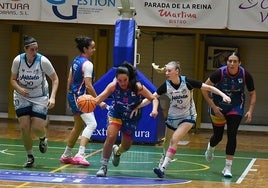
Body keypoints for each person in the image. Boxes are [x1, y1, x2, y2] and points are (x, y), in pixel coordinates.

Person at [135, 61, 231, 178]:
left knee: (174, 140)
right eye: (166, 71)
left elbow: (209, 87)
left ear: (177, 71)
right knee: (166, 143)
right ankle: (162, 160)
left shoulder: (188, 82)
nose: (167, 73)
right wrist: (137, 106)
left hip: (188, 116)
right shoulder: (166, 85)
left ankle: (163, 168)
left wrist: (223, 95)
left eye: (169, 71)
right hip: (173, 117)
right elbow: (151, 98)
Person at [95, 62, 159, 177]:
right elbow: (99, 98)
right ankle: (103, 166)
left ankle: (117, 151)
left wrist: (154, 109)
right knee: (111, 136)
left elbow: (153, 98)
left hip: (131, 117)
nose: (122, 83)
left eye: (125, 80)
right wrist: (88, 103)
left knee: (126, 146)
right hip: (116, 112)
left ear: (129, 78)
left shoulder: (138, 87)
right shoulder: (113, 86)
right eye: (120, 80)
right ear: (116, 79)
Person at [202, 52, 256, 178]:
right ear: (227, 62)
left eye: (235, 61)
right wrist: (214, 107)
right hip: (219, 106)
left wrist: (250, 110)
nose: (232, 63)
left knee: (232, 134)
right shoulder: (219, 73)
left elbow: (253, 93)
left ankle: (227, 167)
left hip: (235, 107)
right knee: (218, 137)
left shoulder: (245, 75)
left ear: (239, 63)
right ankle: (211, 147)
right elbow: (204, 88)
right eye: (230, 61)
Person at [10, 35, 59, 168]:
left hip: (40, 96)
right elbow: (12, 80)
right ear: (25, 49)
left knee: (37, 128)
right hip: (22, 96)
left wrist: (53, 97)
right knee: (24, 127)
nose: (35, 52)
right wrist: (20, 89)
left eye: (36, 49)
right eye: (32, 49)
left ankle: (42, 138)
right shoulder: (17, 61)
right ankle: (30, 156)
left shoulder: (43, 61)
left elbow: (55, 79)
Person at [60, 36, 106, 166]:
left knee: (79, 126)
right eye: (92, 47)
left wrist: (70, 94)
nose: (94, 50)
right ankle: (80, 154)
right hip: (79, 97)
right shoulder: (87, 64)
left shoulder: (76, 60)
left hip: (73, 95)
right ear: (85, 49)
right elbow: (88, 85)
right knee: (92, 124)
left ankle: (66, 155)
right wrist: (98, 100)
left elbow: (69, 79)